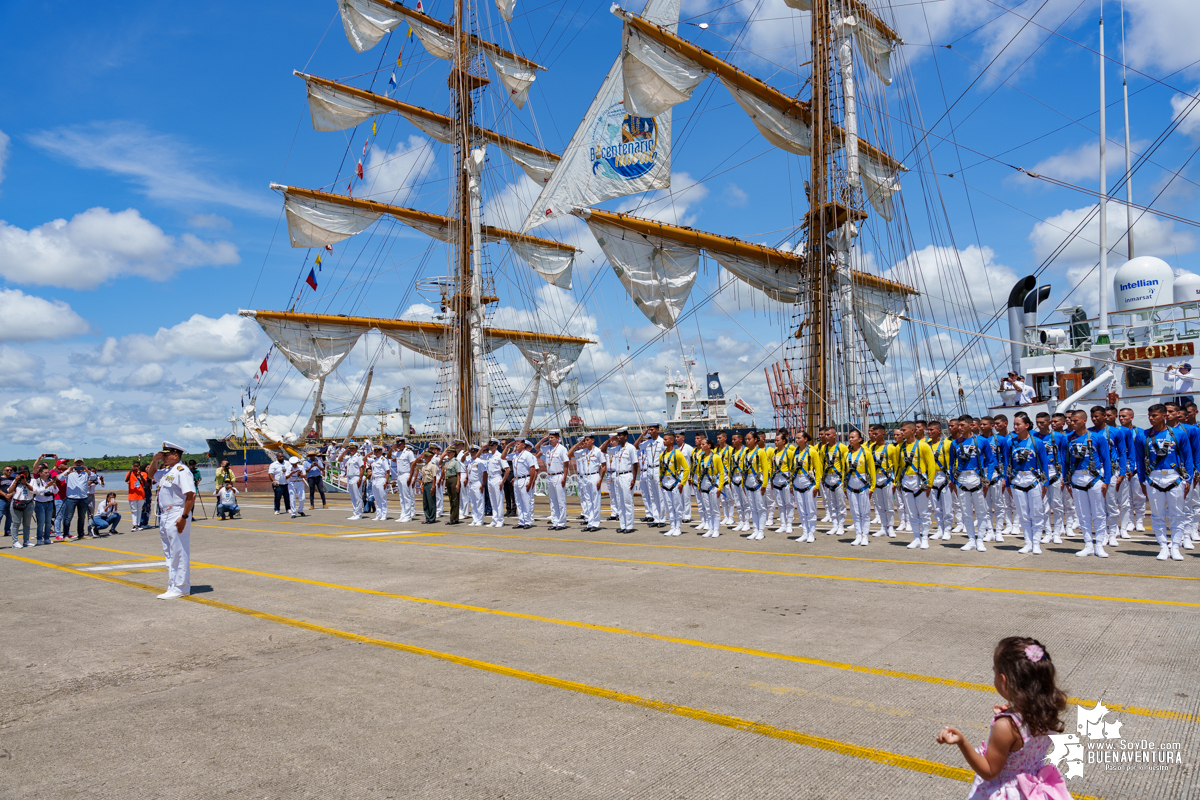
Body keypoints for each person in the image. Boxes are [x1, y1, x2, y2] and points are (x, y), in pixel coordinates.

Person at [936, 637, 1068, 799]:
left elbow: (990, 771)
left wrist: (962, 742)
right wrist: (1012, 711)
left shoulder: (1006, 726)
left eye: (995, 672)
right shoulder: (1047, 709)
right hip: (1032, 790)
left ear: (1004, 680)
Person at [1139, 403, 1193, 561]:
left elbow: (1187, 457)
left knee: (1177, 514)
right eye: (1149, 415)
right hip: (1153, 477)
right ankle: (1163, 546)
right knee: (1157, 515)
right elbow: (1140, 460)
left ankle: (1175, 546)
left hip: (1174, 477)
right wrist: (1143, 480)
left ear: (1164, 416)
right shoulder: (1143, 435)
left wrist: (1188, 478)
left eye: (1154, 415)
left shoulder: (1178, 434)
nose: (1151, 418)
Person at [146, 442, 196, 599]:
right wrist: (154, 461)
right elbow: (151, 475)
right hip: (165, 513)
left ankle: (181, 587)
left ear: (176, 456)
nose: (163, 457)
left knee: (178, 551)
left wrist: (184, 517)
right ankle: (173, 584)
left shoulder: (182, 471)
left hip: (177, 512)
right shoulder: (167, 470)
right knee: (169, 552)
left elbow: (191, 495)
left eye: (166, 455)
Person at [1066, 408, 1111, 558]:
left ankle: (1099, 545)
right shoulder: (1068, 438)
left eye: (1075, 421)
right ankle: (1088, 545)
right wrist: (1067, 481)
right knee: (1082, 514)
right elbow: (1065, 461)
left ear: (1084, 421)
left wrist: (1107, 481)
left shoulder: (1098, 438)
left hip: (1095, 478)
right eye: (1071, 421)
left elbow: (1107, 460)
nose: (1072, 423)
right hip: (1077, 479)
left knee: (1099, 513)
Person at [1007, 413, 1050, 555]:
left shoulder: (1037, 442)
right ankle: (1028, 543)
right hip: (1017, 480)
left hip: (1033, 479)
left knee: (1037, 513)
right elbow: (1008, 464)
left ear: (1026, 425)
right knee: (1023, 514)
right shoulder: (1010, 442)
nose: (1015, 427)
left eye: (1018, 424)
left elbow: (1044, 463)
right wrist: (1008, 483)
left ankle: (1036, 543)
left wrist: (1045, 483)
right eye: (1014, 424)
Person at [951, 416, 993, 553]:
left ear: (970, 425)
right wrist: (954, 480)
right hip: (962, 478)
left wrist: (988, 478)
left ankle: (980, 539)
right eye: (959, 425)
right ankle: (971, 540)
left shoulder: (982, 441)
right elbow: (951, 464)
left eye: (962, 425)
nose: (960, 428)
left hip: (977, 478)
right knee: (966, 512)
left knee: (981, 511)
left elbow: (991, 461)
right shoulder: (955, 443)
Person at [893, 421, 937, 549]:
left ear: (912, 431)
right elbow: (897, 466)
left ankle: (925, 538)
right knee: (911, 512)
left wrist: (929, 483)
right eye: (901, 430)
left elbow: (931, 465)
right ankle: (916, 537)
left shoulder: (923, 446)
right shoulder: (899, 448)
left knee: (923, 512)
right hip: (906, 481)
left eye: (904, 430)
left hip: (920, 481)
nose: (901, 433)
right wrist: (898, 482)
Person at [600, 427, 639, 533]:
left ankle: (629, 526)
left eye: (620, 435)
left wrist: (634, 479)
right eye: (617, 436)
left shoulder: (631, 448)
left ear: (626, 436)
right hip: (617, 476)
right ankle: (623, 525)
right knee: (619, 502)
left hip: (627, 475)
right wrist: (609, 439)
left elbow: (635, 464)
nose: (618, 437)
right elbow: (602, 450)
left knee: (627, 501)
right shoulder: (616, 449)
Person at [843, 429, 876, 546]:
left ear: (860, 439)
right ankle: (858, 535)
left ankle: (865, 536)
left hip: (863, 484)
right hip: (851, 484)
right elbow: (844, 471)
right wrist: (844, 487)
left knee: (865, 512)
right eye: (849, 437)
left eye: (853, 437)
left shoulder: (866, 452)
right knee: (855, 512)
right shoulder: (847, 454)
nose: (850, 439)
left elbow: (872, 471)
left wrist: (872, 488)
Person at [866, 425, 897, 539]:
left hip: (887, 479)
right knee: (880, 505)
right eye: (872, 434)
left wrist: (895, 482)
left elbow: (896, 465)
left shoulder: (891, 448)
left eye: (876, 434)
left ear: (883, 434)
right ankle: (883, 527)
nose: (873, 436)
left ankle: (891, 527)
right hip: (876, 480)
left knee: (889, 505)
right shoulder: (871, 448)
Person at [569, 433, 605, 531]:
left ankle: (595, 524)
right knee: (588, 501)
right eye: (584, 440)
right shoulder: (583, 452)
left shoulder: (598, 451)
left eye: (587, 440)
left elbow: (604, 465)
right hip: (585, 478)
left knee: (595, 501)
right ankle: (590, 522)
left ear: (592, 440)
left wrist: (601, 479)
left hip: (594, 476)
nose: (585, 442)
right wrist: (578, 444)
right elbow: (569, 454)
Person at [790, 431, 821, 543]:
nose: (796, 440)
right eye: (796, 438)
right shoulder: (795, 452)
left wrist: (817, 486)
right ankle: (804, 532)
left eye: (799, 438)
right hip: (797, 483)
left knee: (811, 510)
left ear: (805, 439)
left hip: (809, 483)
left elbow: (818, 469)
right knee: (801, 509)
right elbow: (792, 469)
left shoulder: (812, 452)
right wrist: (791, 484)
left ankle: (811, 533)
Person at [537, 430, 570, 531]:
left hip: (558, 475)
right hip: (550, 476)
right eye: (549, 437)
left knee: (561, 500)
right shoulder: (549, 449)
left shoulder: (562, 449)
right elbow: (537, 448)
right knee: (552, 501)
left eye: (552, 438)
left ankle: (561, 522)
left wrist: (564, 477)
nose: (550, 439)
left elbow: (566, 463)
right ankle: (555, 521)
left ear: (557, 438)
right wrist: (544, 439)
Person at [694, 435, 726, 536]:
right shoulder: (700, 458)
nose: (701, 446)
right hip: (703, 485)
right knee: (708, 508)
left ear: (709, 445)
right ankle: (710, 529)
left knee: (715, 508)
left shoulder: (716, 457)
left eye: (703, 444)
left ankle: (716, 529)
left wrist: (720, 487)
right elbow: (698, 473)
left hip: (713, 484)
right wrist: (699, 485)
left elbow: (721, 473)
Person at [657, 431, 688, 536]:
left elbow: (686, 468)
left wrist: (682, 483)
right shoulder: (662, 454)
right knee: (669, 506)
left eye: (665, 439)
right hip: (665, 481)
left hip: (675, 481)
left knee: (677, 505)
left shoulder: (678, 453)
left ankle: (678, 527)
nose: (664, 441)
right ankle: (672, 527)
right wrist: (660, 482)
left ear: (671, 440)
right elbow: (660, 470)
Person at [818, 427, 848, 535]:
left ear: (834, 435)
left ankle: (841, 525)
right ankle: (834, 525)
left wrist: (845, 480)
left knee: (840, 503)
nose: (825, 437)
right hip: (827, 478)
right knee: (831, 503)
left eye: (828, 435)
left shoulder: (843, 448)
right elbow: (821, 463)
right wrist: (821, 478)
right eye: (824, 435)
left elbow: (845, 465)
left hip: (838, 477)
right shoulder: (823, 449)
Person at [62, 459, 98, 540]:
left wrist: (87, 470)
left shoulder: (85, 473)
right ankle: (66, 535)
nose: (78, 464)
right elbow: (60, 478)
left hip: (83, 498)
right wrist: (68, 471)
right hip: (71, 498)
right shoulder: (70, 473)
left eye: (80, 463)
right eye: (77, 463)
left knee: (82, 517)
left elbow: (94, 477)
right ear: (74, 463)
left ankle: (81, 534)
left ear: (82, 464)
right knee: (68, 517)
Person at [480, 439, 508, 528]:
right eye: (489, 445)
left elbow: (507, 469)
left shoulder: (500, 455)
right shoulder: (488, 455)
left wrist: (502, 481)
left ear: (496, 446)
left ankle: (500, 520)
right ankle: (494, 519)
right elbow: (477, 456)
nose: (490, 447)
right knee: (492, 500)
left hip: (497, 478)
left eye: (492, 445)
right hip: (490, 478)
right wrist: (482, 448)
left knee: (499, 500)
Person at [6, 468, 34, 548]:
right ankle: (15, 542)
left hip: (28, 503)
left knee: (27, 524)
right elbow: (10, 491)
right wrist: (15, 481)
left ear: (28, 473)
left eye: (25, 473)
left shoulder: (32, 481)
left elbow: (34, 490)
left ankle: (26, 541)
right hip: (16, 503)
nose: (24, 475)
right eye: (22, 473)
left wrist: (26, 483)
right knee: (16, 523)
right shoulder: (16, 482)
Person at [392, 438, 417, 522]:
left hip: (406, 474)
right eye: (397, 444)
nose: (398, 446)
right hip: (399, 475)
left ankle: (408, 515)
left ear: (404, 444)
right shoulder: (398, 453)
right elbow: (389, 456)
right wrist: (392, 448)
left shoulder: (409, 452)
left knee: (407, 496)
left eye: (400, 444)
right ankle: (403, 514)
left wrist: (410, 477)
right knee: (401, 496)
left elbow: (412, 465)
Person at [31, 466, 57, 546]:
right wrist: (46, 486)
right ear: (40, 473)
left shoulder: (50, 480)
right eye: (45, 473)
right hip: (40, 503)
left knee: (48, 522)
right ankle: (39, 539)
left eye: (48, 472)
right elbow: (36, 491)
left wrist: (54, 486)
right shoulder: (36, 481)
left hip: (49, 503)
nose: (47, 474)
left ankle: (47, 538)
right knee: (41, 523)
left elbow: (55, 492)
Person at [342, 444, 365, 520]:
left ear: (356, 449)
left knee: (357, 496)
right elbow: (339, 459)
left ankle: (359, 514)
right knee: (352, 497)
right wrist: (344, 452)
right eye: (350, 449)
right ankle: (355, 513)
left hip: (356, 477)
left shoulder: (358, 457)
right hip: (349, 478)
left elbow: (362, 468)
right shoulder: (349, 457)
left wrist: (360, 479)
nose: (351, 450)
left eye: (353, 449)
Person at [368, 445, 391, 521]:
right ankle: (378, 514)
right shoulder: (374, 460)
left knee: (382, 498)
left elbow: (387, 471)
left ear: (381, 452)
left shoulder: (383, 460)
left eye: (377, 451)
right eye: (375, 451)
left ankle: (384, 514)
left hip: (381, 479)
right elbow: (364, 459)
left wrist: (386, 481)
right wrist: (370, 452)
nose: (376, 452)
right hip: (374, 480)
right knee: (377, 498)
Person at [420, 446, 440, 524]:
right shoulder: (424, 466)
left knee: (431, 502)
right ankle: (427, 517)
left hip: (430, 484)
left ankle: (432, 518)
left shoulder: (433, 465)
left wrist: (433, 487)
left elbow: (434, 477)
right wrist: (422, 485)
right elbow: (423, 476)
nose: (425, 458)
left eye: (427, 456)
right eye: (425, 456)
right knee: (425, 502)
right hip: (425, 484)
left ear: (431, 457)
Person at [443, 445, 462, 525]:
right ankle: (452, 517)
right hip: (448, 480)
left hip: (454, 479)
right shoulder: (447, 462)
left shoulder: (456, 462)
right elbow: (440, 462)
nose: (448, 454)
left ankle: (455, 518)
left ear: (454, 453)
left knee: (455, 499)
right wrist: (445, 451)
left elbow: (458, 474)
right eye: (448, 452)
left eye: (449, 452)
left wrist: (458, 484)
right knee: (451, 499)